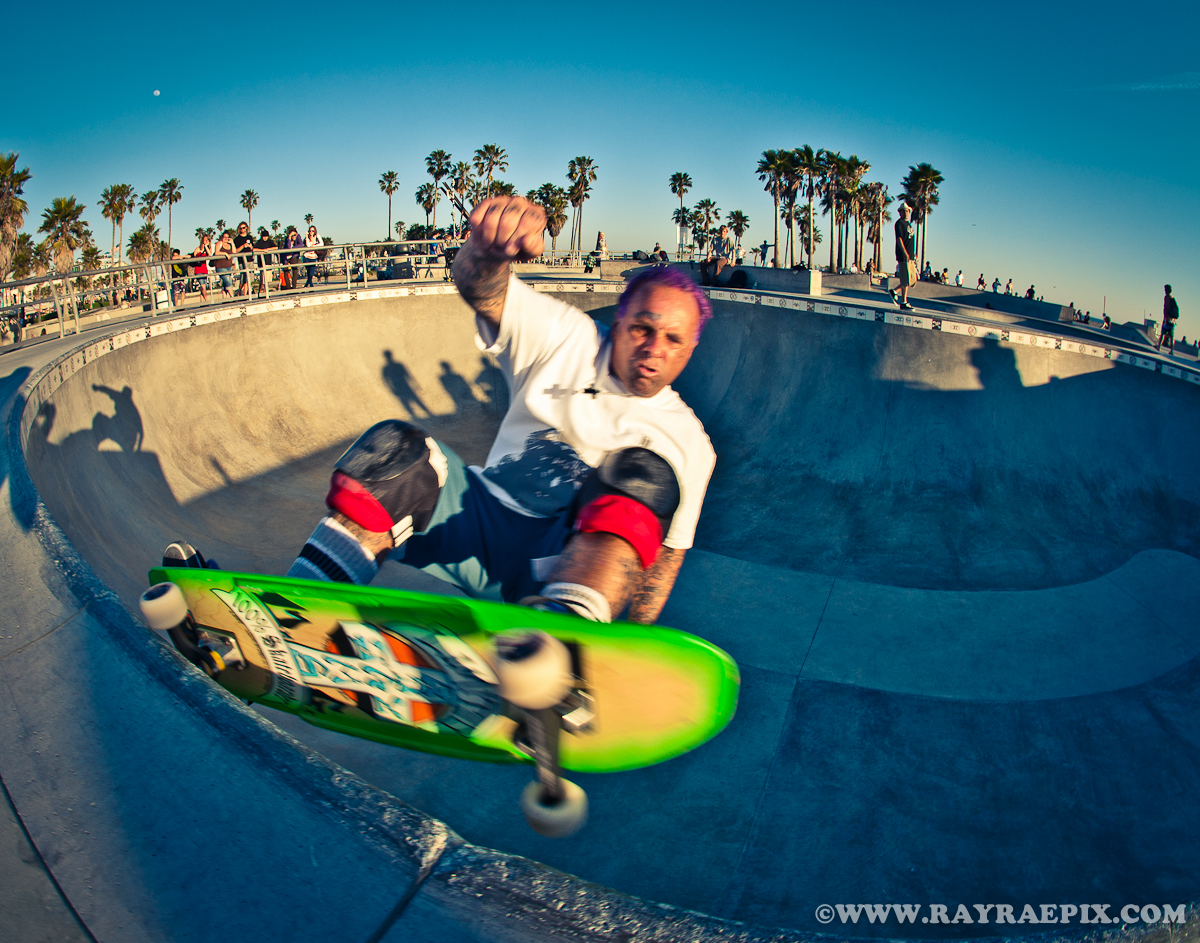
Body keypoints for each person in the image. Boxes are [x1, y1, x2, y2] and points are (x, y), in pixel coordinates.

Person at [284, 196, 716, 626]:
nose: (653, 350)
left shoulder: (690, 445)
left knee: (643, 475)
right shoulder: (569, 337)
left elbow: (664, 561)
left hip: (564, 568)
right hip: (478, 521)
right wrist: (488, 252)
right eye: (642, 328)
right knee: (395, 449)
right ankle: (296, 613)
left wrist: (634, 648)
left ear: (691, 348)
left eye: (673, 340)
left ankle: (563, 639)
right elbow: (483, 289)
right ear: (619, 323)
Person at [888, 203, 917, 310]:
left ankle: (894, 291)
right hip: (903, 255)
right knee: (906, 279)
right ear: (899, 212)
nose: (905, 213)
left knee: (912, 279)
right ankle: (903, 302)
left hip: (910, 256)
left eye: (907, 211)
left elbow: (910, 240)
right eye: (903, 211)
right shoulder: (899, 223)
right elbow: (899, 239)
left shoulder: (908, 224)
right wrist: (905, 252)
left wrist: (913, 253)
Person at [253, 228, 277, 298]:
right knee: (262, 279)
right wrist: (262, 250)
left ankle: (265, 292)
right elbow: (254, 249)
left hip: (268, 263)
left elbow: (275, 247)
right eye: (264, 236)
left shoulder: (270, 242)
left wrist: (268, 249)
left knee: (267, 279)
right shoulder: (259, 242)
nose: (265, 238)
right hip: (261, 263)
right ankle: (260, 292)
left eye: (266, 236)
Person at [212, 231, 235, 298]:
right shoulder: (219, 243)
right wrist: (225, 254)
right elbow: (216, 252)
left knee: (225, 283)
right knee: (228, 281)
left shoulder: (230, 245)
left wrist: (232, 243)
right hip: (221, 267)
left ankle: (224, 298)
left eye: (227, 237)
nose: (226, 239)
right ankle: (233, 297)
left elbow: (234, 252)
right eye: (224, 237)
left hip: (229, 266)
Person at [233, 222, 254, 296]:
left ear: (246, 228)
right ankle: (243, 294)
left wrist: (250, 247)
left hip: (250, 260)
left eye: (244, 227)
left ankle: (245, 293)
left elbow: (253, 249)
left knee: (249, 278)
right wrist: (243, 246)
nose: (242, 229)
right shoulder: (237, 239)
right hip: (242, 261)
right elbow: (235, 251)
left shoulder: (250, 237)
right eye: (241, 228)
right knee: (244, 278)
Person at [1158, 284, 1179, 352]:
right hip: (1172, 321)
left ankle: (1159, 347)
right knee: (1171, 337)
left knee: (1162, 334)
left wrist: (1165, 319)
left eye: (1165, 289)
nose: (1164, 291)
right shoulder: (1173, 298)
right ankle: (1172, 350)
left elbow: (1166, 309)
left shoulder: (1167, 297)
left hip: (1167, 320)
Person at [191, 233, 212, 302]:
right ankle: (206, 300)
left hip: (204, 269)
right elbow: (193, 257)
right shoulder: (198, 249)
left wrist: (206, 247)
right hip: (198, 269)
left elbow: (210, 255)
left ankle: (201, 301)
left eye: (207, 240)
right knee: (203, 286)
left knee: (203, 287)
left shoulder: (208, 249)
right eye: (205, 240)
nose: (206, 241)